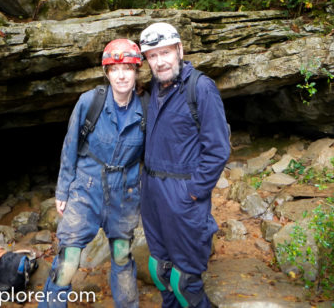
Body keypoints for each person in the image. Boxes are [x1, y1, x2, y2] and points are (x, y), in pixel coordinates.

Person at [39, 39, 145, 308]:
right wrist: (63, 190)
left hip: (125, 192)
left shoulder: (146, 109)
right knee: (68, 260)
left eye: (127, 68)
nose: (121, 75)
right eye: (114, 69)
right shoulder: (90, 102)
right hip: (86, 189)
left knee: (122, 255)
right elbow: (70, 145)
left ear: (137, 71)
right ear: (106, 72)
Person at [139, 22, 230, 308]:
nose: (160, 61)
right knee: (160, 270)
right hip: (152, 193)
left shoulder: (200, 87)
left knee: (185, 281)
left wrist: (193, 192)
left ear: (180, 49)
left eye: (165, 52)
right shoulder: (153, 88)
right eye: (152, 56)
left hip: (182, 195)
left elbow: (217, 148)